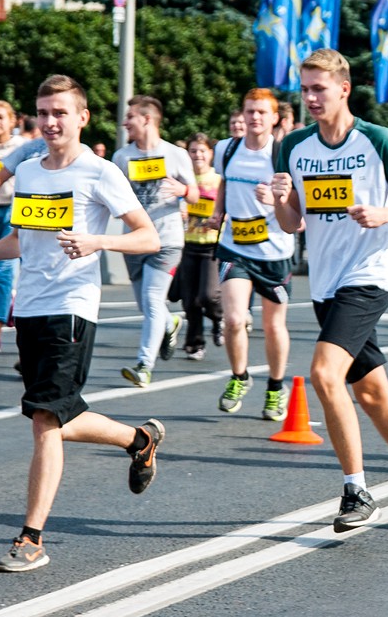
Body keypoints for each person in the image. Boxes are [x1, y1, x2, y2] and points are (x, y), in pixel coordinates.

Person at [0, 75, 163, 573]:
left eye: (60, 113)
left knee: (46, 420)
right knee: (56, 415)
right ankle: (139, 440)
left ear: (82, 117)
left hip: (72, 307)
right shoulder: (28, 172)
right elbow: (21, 241)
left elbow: (148, 237)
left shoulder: (100, 172)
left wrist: (97, 242)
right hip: (30, 308)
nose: (50, 122)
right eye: (44, 113)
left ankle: (31, 538)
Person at [269, 49, 388, 532]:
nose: (310, 98)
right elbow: (292, 222)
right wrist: (281, 200)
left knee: (325, 374)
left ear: (344, 89)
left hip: (368, 276)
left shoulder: (376, 139)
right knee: (372, 393)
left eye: (319, 88)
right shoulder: (293, 146)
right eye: (305, 89)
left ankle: (356, 491)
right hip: (325, 284)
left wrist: (385, 214)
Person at [209, 88, 295, 419]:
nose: (254, 117)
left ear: (274, 118)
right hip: (234, 247)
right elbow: (224, 182)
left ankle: (275, 387)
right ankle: (239, 377)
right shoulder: (226, 148)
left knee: (273, 326)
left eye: (261, 112)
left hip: (274, 252)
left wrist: (276, 201)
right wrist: (218, 211)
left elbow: (296, 199)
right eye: (249, 111)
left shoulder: (282, 154)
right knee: (233, 319)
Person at [112, 95, 198, 388]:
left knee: (151, 300)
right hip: (134, 240)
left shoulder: (175, 154)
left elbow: (195, 194)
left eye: (130, 117)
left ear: (147, 119)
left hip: (167, 239)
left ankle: (144, 366)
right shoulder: (121, 157)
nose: (125, 123)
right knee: (147, 306)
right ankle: (169, 322)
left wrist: (183, 190)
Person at [179, 133, 223, 360]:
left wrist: (220, 218)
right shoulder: (183, 180)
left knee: (208, 295)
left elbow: (228, 208)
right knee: (189, 300)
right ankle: (195, 344)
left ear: (210, 154)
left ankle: (219, 318)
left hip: (211, 246)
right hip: (187, 243)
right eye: (193, 151)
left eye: (202, 151)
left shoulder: (218, 180)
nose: (198, 155)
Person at [0, 100, 25, 353]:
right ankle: (9, 300)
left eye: (0, 117)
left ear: (12, 120)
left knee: (3, 272)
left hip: (13, 212)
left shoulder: (22, 147)